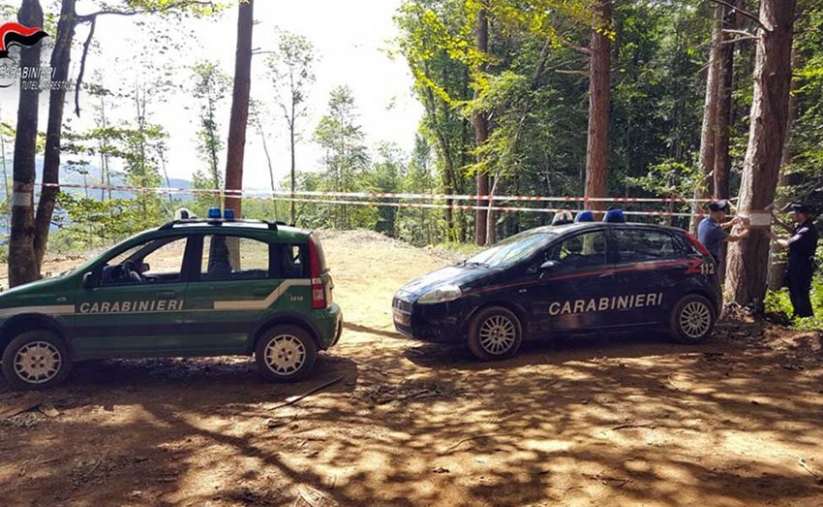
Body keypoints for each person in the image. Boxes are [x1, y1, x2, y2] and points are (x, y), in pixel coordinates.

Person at [769, 203, 819, 318]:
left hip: (802, 267)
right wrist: (778, 222)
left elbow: (787, 244)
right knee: (793, 289)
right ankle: (797, 314)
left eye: (795, 213)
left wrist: (772, 236)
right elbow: (793, 232)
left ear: (801, 215)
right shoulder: (802, 227)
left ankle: (805, 317)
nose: (793, 215)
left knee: (800, 292)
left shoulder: (806, 230)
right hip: (796, 265)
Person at [697, 199, 749, 265]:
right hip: (710, 259)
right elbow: (732, 238)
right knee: (711, 275)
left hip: (703, 257)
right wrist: (745, 232)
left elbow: (719, 227)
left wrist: (730, 223)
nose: (724, 214)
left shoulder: (704, 222)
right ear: (717, 213)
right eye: (723, 211)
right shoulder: (714, 229)